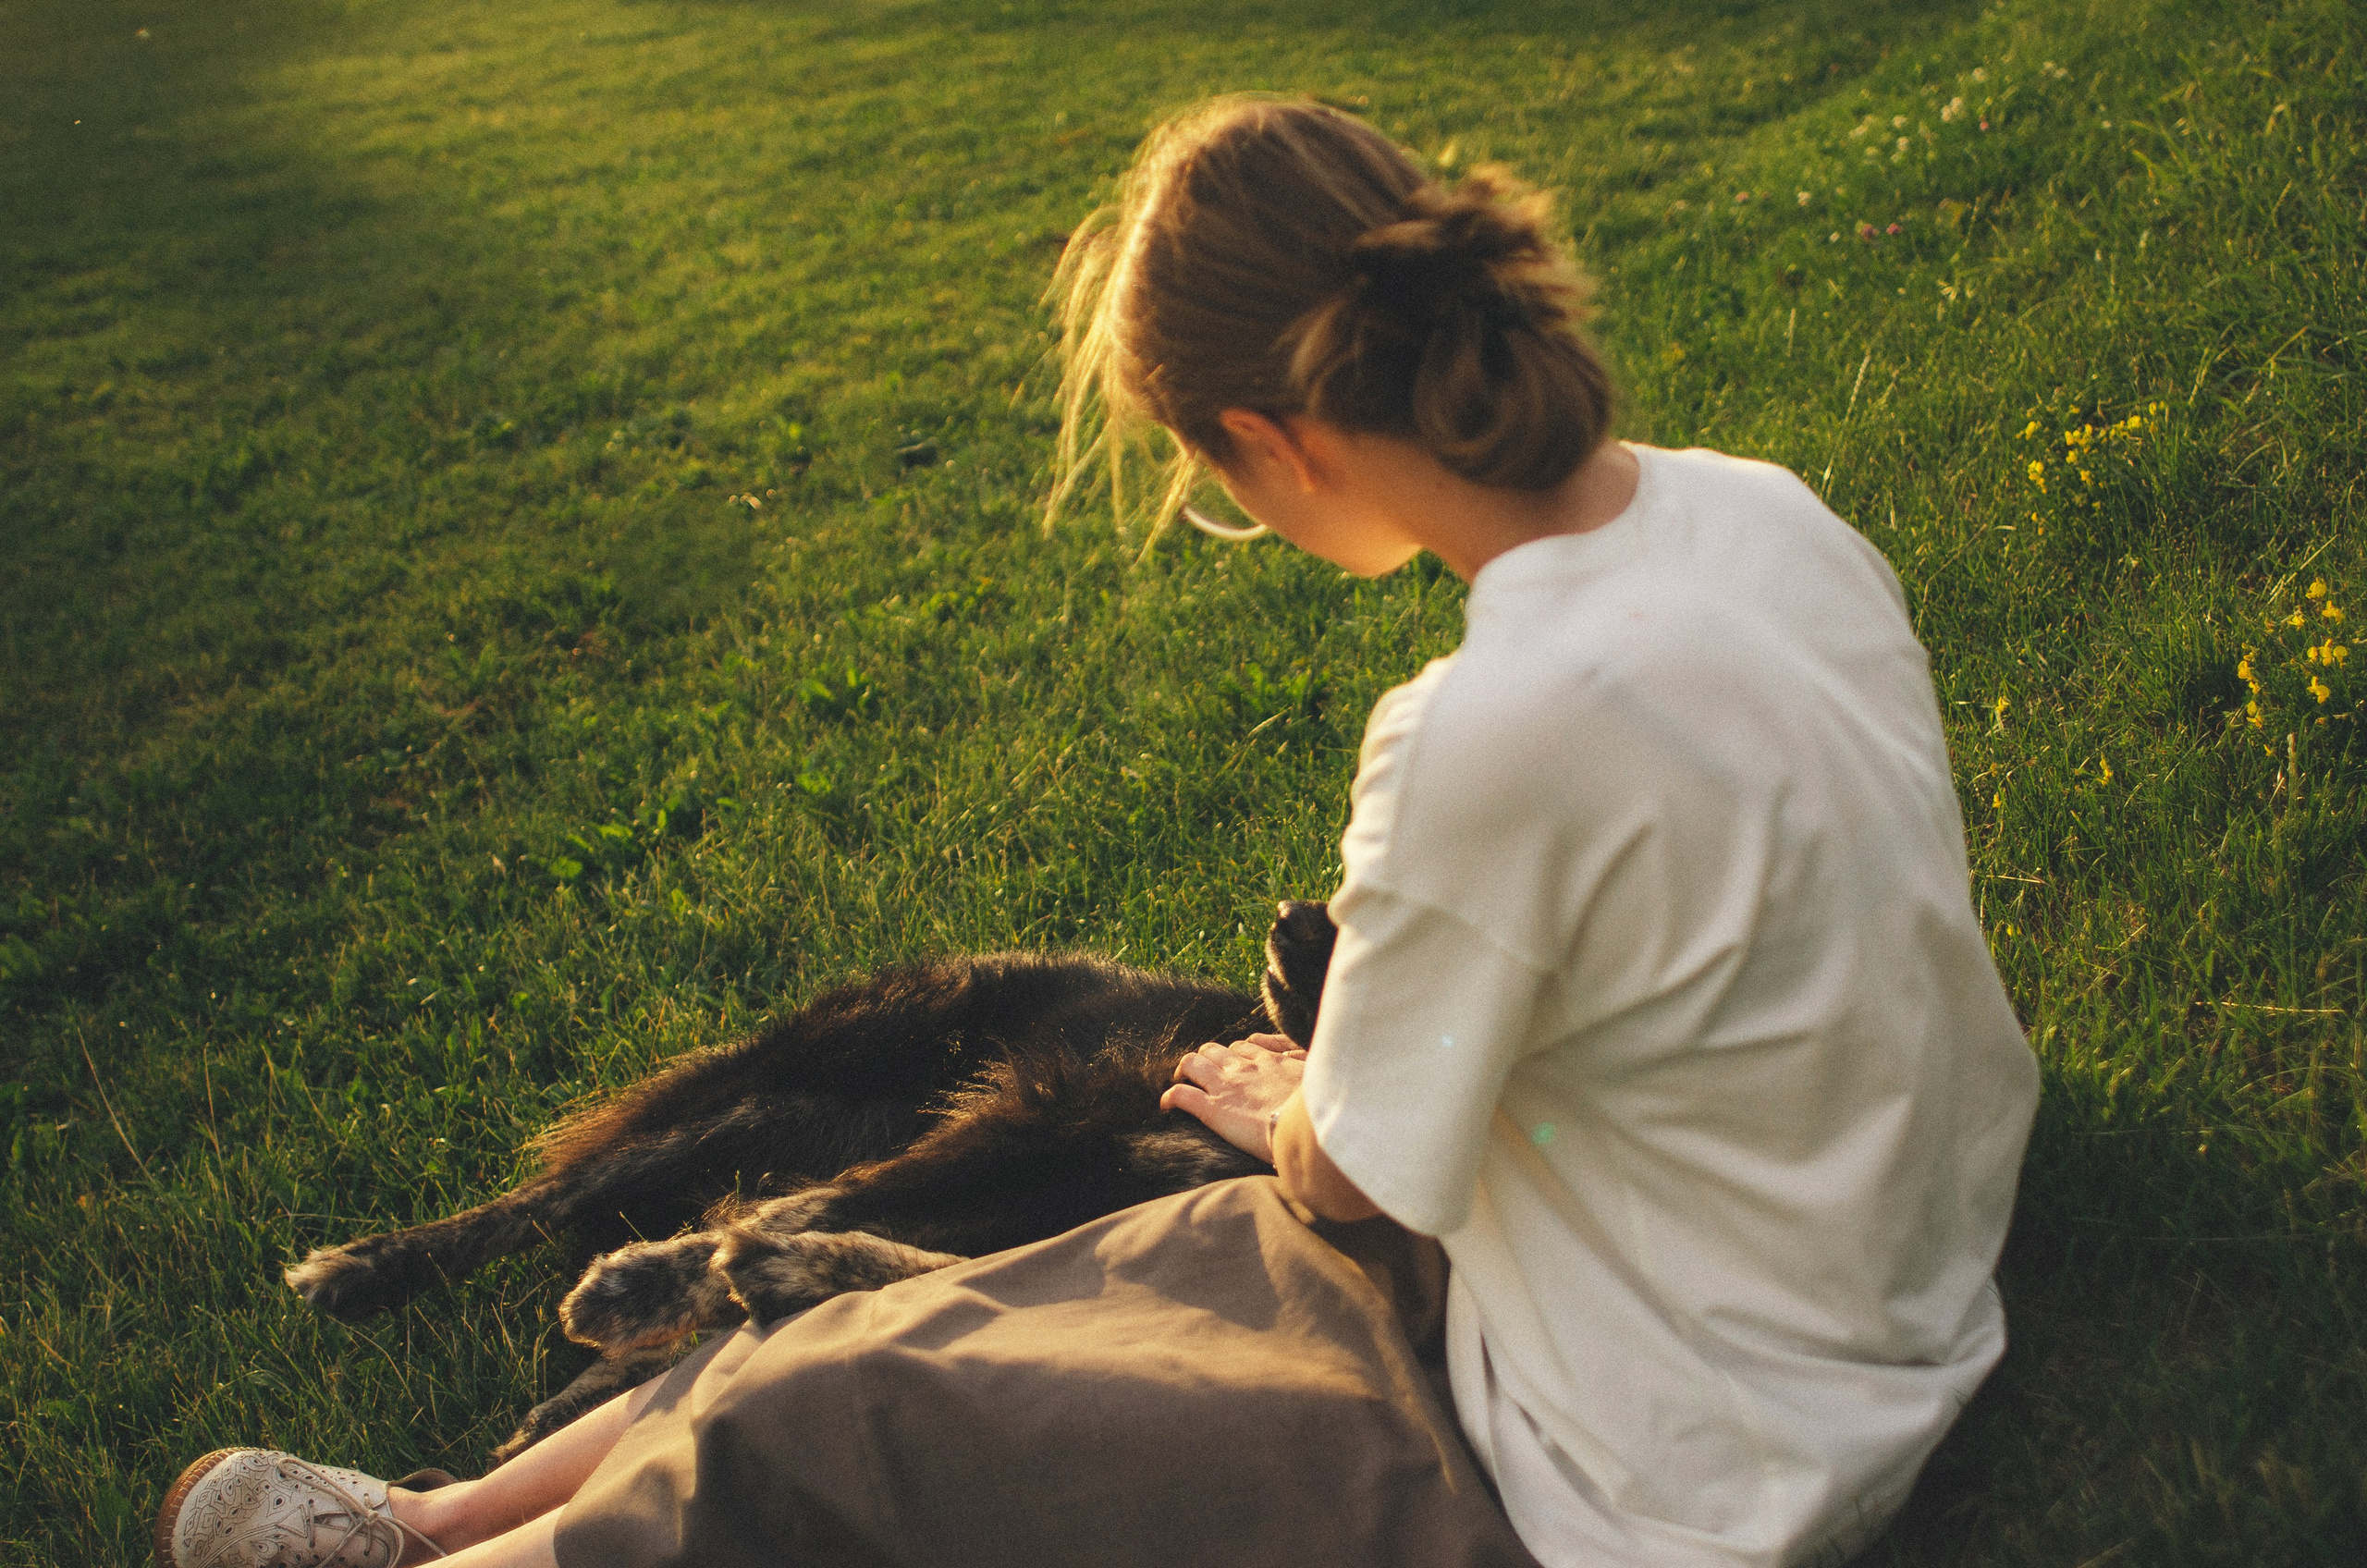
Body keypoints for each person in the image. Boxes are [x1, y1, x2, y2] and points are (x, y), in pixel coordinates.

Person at [153, 95, 2039, 1568]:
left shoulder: (1489, 726)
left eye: (1212, 488)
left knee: (866, 1423)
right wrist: (1329, 1102)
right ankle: (439, 1510)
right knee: (977, 1285)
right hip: (1863, 1289)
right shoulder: (1759, 514)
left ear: (1270, 440)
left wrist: (1291, 1108)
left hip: (1646, 1471)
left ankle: (450, 1556)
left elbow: (1348, 1183)